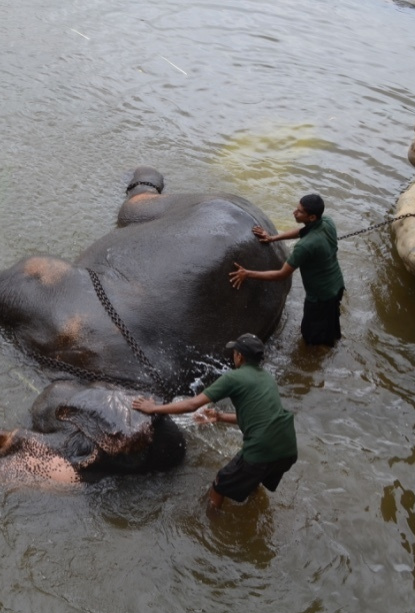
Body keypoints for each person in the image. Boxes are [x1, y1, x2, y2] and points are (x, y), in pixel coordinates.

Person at [132, 333, 297, 511]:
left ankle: (212, 526)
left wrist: (153, 408)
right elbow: (257, 419)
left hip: (261, 448)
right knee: (254, 478)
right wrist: (219, 417)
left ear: (239, 356)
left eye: (234, 353)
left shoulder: (233, 377)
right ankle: (252, 513)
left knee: (219, 484)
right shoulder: (267, 378)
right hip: (287, 447)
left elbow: (192, 404)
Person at [229, 193, 345, 347]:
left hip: (319, 297)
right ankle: (333, 344)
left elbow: (281, 274)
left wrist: (247, 273)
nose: (294, 212)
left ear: (311, 217)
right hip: (337, 285)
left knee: (310, 338)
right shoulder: (328, 222)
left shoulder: (304, 246)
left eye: (300, 211)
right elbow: (302, 231)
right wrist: (272, 237)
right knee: (331, 324)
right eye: (296, 208)